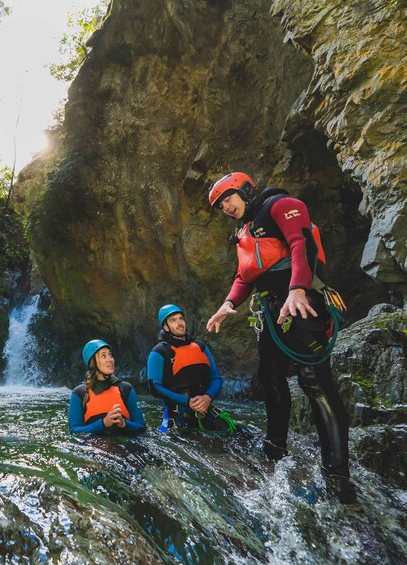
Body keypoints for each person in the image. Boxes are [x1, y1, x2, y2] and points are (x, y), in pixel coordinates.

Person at [205, 172, 356, 503]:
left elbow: (301, 243)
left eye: (228, 198)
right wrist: (228, 304)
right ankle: (275, 448)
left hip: (302, 303)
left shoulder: (281, 205)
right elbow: (245, 276)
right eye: (220, 205)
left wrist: (298, 289)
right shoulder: (244, 231)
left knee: (315, 381)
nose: (226, 207)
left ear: (245, 190)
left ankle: (337, 475)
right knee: (270, 378)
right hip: (270, 310)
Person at [147, 304, 235, 433]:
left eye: (181, 318)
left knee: (240, 435)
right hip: (178, 415)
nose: (180, 323)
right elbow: (155, 388)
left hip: (205, 409)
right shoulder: (159, 352)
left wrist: (207, 397)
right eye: (173, 320)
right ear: (165, 327)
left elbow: (216, 378)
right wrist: (188, 402)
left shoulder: (200, 346)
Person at [68, 340, 146, 435]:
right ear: (93, 363)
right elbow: (74, 431)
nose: (110, 359)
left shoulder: (126, 389)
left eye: (110, 355)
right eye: (103, 356)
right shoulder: (79, 393)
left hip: (123, 445)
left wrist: (124, 423)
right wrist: (103, 423)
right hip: (93, 446)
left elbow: (141, 427)